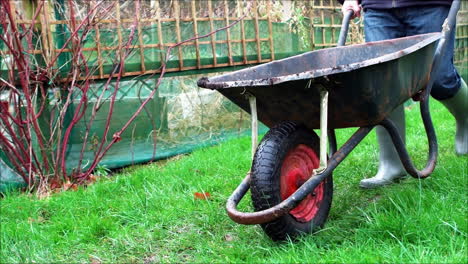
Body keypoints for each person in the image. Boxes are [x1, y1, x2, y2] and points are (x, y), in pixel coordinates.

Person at [338, 0, 467, 188]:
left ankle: (465, 119)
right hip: (377, 7)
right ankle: (393, 164)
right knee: (382, 83)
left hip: (432, 4)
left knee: (439, 78)